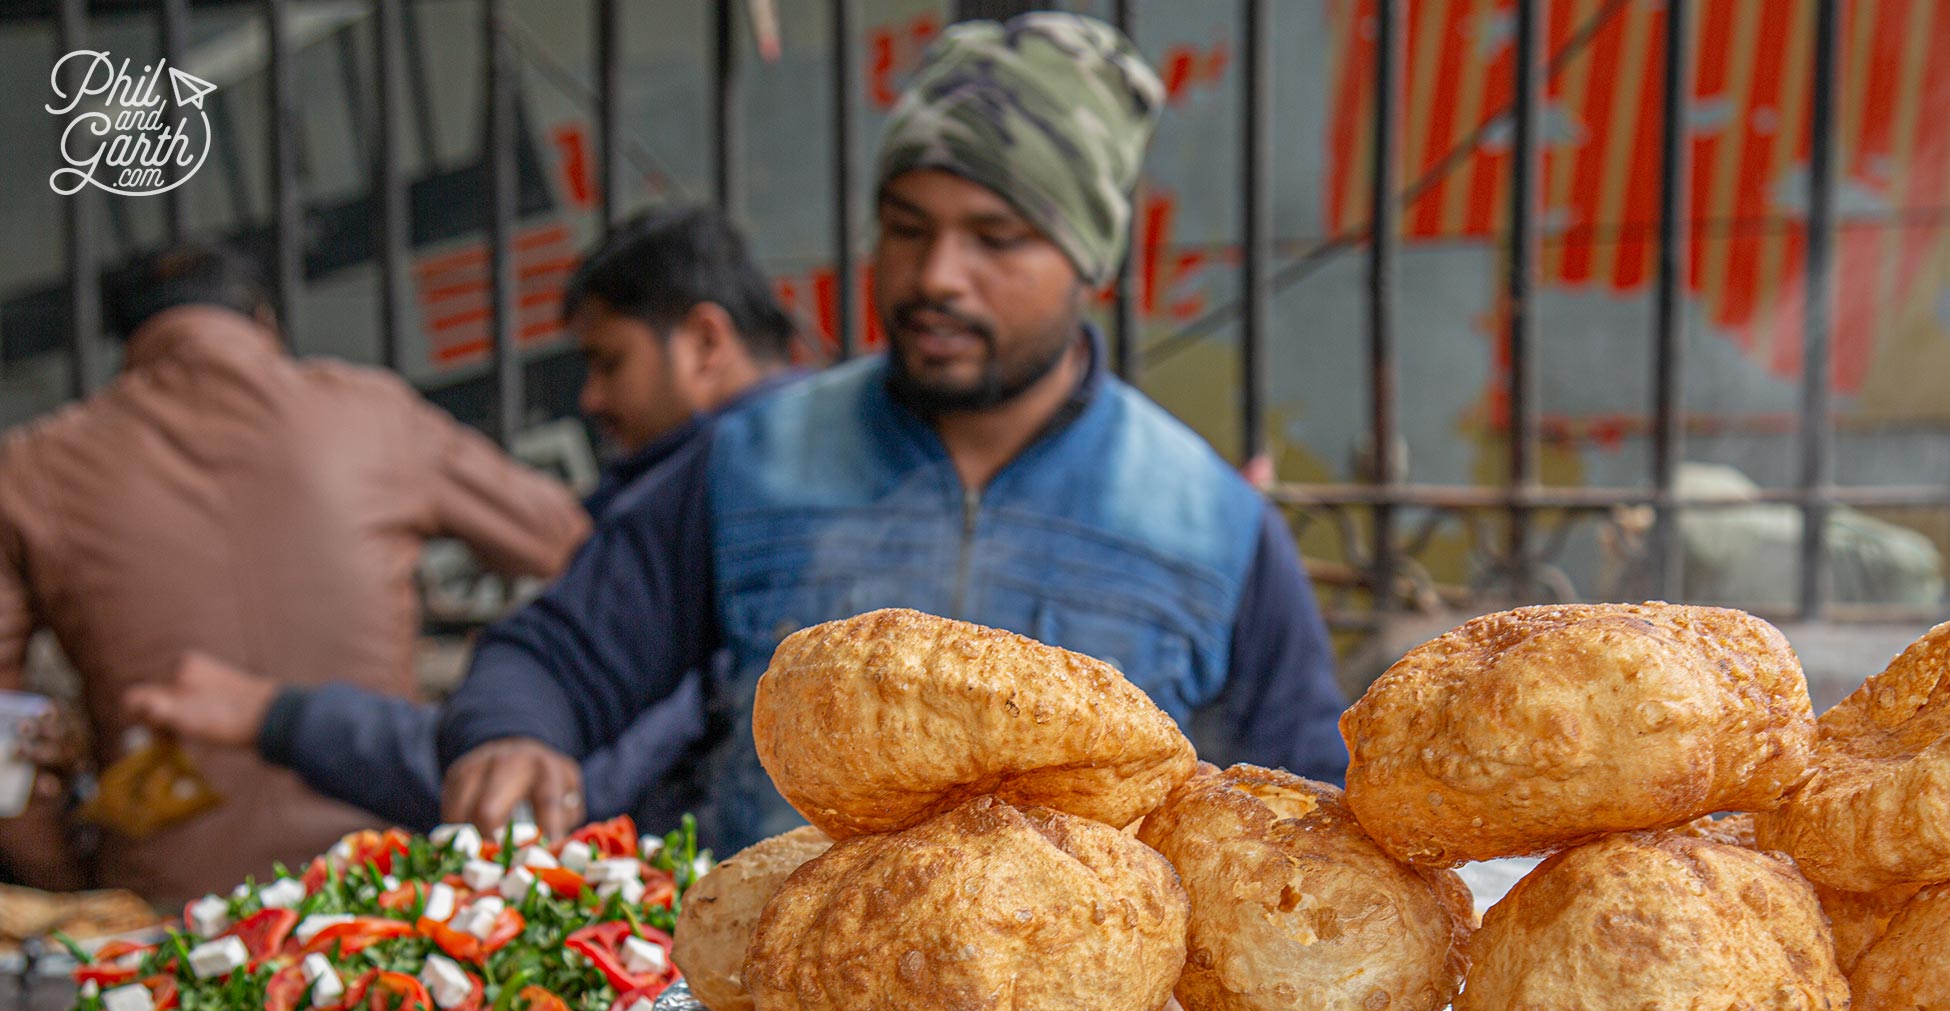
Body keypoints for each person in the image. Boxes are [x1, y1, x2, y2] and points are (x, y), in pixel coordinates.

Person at [436, 13, 1349, 853]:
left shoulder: (1214, 527)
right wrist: (513, 735)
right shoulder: (753, 462)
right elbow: (556, 657)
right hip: (769, 1008)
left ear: (1089, 265)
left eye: (994, 237)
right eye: (908, 229)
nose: (937, 275)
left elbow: (1301, 808)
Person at [125, 207, 800, 835]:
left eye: (608, 362)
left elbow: (564, 786)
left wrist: (281, 715)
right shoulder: (375, 414)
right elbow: (553, 656)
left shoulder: (718, 484)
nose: (591, 399)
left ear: (706, 340)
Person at [0, 245, 590, 903]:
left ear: (128, 343)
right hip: (386, 883)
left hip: (167, 905)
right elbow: (571, 545)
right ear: (264, 320)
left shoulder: (32, 468)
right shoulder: (375, 415)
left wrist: (64, 881)